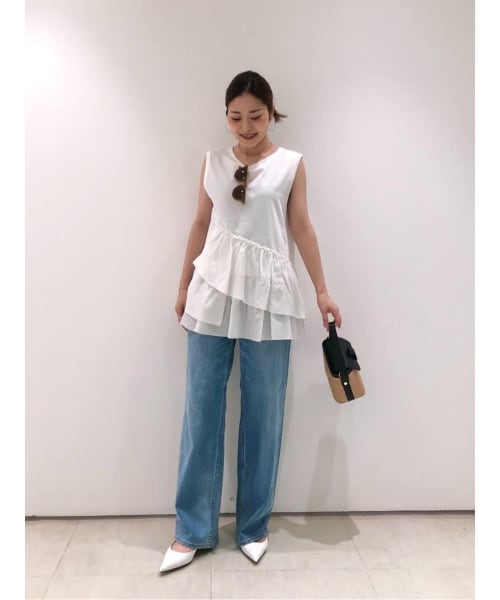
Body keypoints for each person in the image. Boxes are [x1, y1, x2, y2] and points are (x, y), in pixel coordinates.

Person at [159, 71, 341, 573]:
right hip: (211, 292)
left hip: (270, 298)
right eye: (236, 117)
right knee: (201, 410)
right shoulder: (213, 162)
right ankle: (191, 530)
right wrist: (183, 286)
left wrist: (321, 289)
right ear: (226, 117)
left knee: (264, 413)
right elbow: (200, 223)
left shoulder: (291, 164)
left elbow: (301, 227)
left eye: (255, 116)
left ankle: (253, 525)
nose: (245, 126)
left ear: (271, 113)